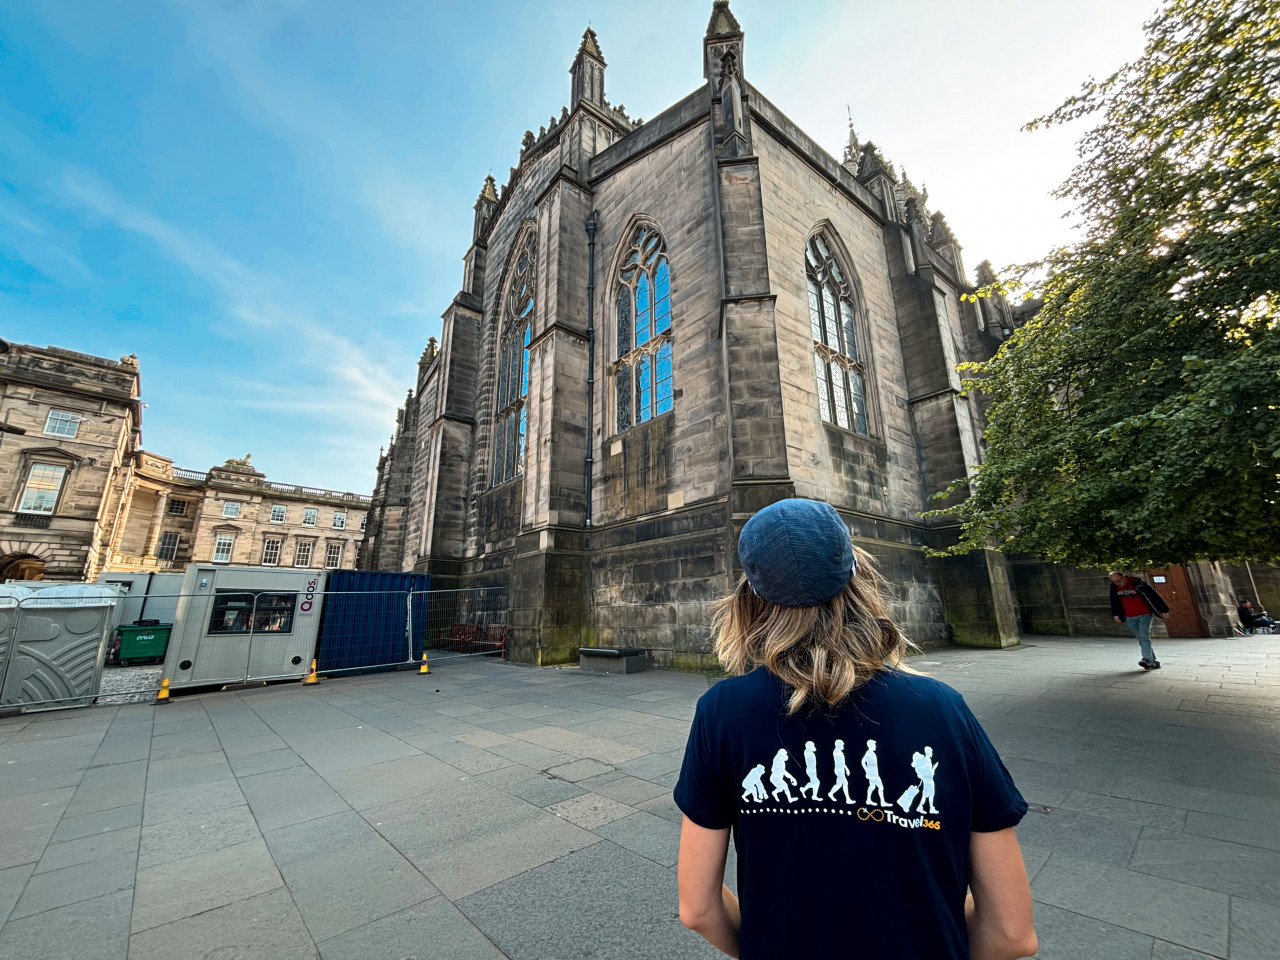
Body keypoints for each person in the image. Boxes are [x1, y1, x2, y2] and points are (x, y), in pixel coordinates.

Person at [675, 498, 1036, 960]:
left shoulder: (722, 712)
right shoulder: (943, 709)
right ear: (857, 576)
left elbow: (698, 909)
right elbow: (1011, 932)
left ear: (751, 597)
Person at [1108, 571, 1169, 670]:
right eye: (1114, 582)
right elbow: (1113, 601)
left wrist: (1163, 610)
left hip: (1144, 614)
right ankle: (1153, 662)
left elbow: (1153, 596)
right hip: (1129, 616)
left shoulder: (1138, 584)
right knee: (1141, 638)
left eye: (1118, 581)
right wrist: (1116, 614)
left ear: (1123, 577)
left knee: (1144, 636)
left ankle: (1147, 659)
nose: (1117, 583)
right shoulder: (1114, 587)